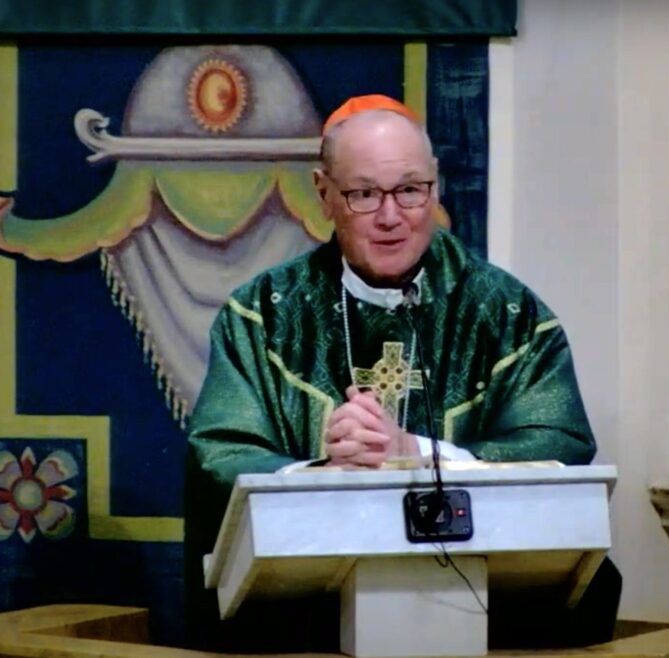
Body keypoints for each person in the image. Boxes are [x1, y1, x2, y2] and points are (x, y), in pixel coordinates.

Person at [184, 94, 620, 652]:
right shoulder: (265, 315)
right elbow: (220, 452)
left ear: (435, 187)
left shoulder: (507, 314)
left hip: (488, 620)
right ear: (324, 194)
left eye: (410, 190)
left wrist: (417, 452)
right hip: (304, 621)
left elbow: (560, 443)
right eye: (364, 194)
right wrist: (324, 468)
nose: (391, 217)